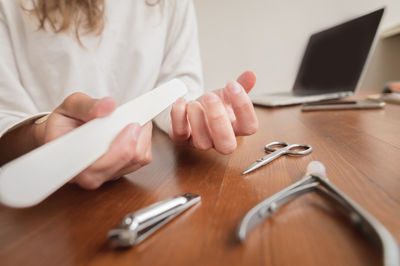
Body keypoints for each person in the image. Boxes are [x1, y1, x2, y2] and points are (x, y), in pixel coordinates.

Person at [0, 0, 258, 189]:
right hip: (39, 205)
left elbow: (180, 84)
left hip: (142, 186)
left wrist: (195, 117)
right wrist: (40, 134)